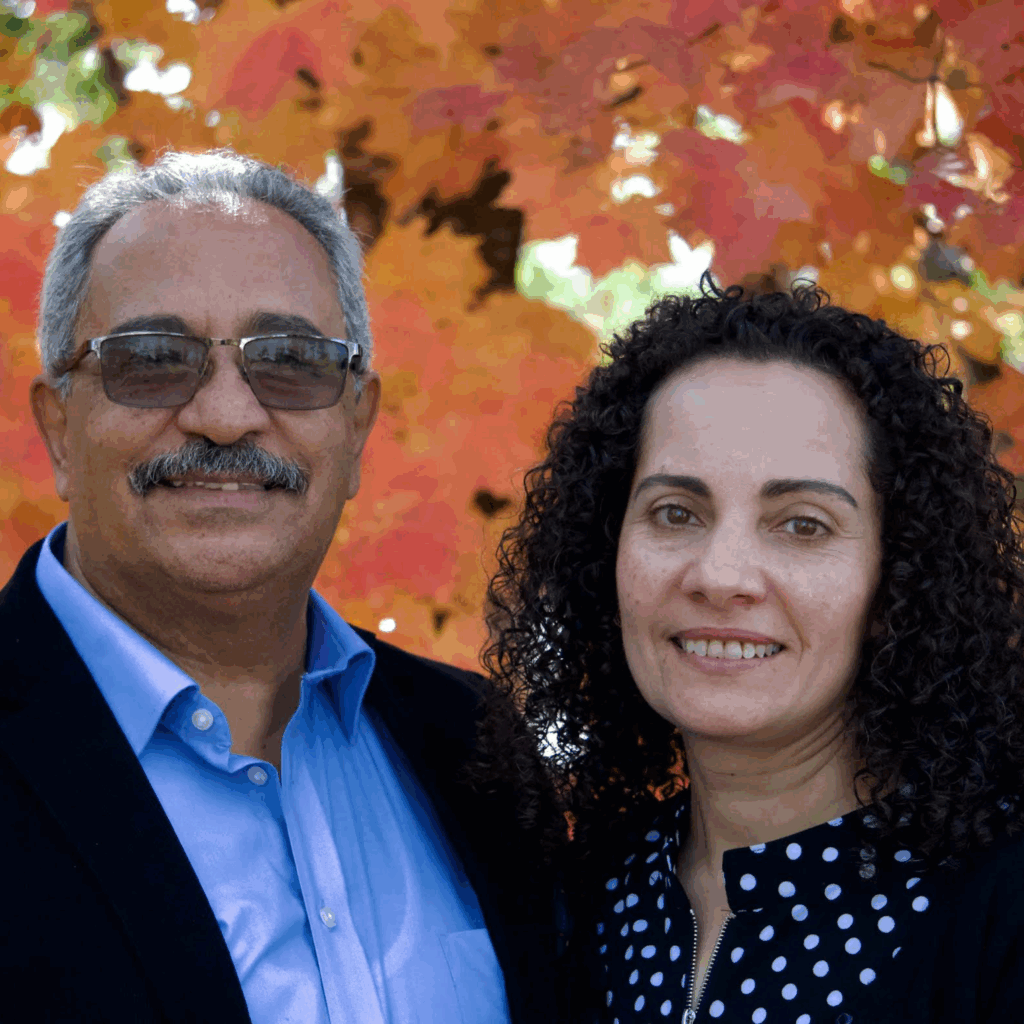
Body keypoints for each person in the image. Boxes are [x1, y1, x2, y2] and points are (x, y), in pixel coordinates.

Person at [1, 149, 563, 1024]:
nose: (226, 417)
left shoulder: (474, 745)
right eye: (155, 358)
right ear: (58, 429)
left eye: (292, 360)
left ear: (357, 427)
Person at [472, 280, 1024, 1023]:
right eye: (676, 513)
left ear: (901, 576)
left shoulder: (1001, 908)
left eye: (803, 525)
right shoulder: (575, 903)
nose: (721, 575)